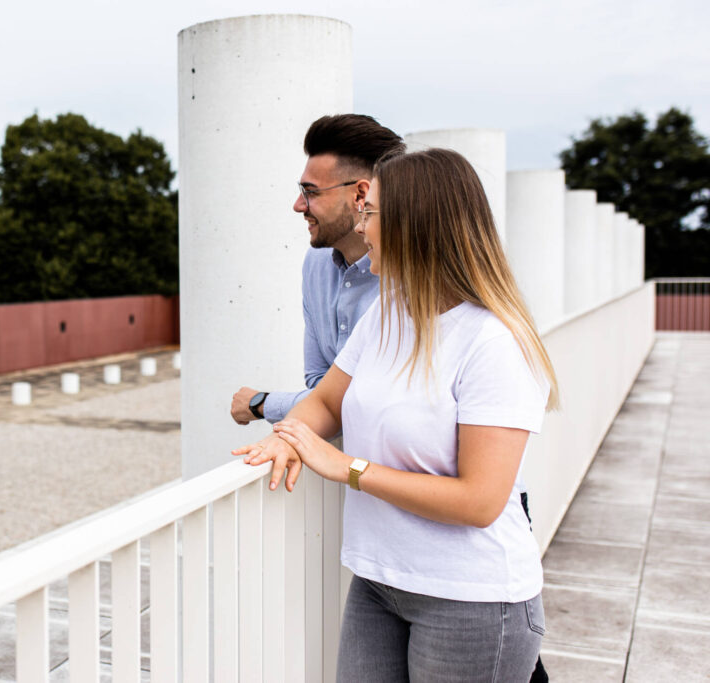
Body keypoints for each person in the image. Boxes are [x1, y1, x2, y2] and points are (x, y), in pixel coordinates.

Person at [234, 148, 559, 681]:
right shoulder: (390, 311)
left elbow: (480, 501)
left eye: (371, 213)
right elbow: (328, 401)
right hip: (379, 580)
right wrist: (289, 437)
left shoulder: (495, 342)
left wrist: (349, 469)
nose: (361, 229)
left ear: (417, 225)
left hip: (471, 600)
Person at [230, 114, 405, 425]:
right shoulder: (316, 264)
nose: (298, 205)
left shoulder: (412, 277)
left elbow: (365, 399)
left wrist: (262, 403)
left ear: (360, 195)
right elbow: (319, 383)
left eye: (311, 192)